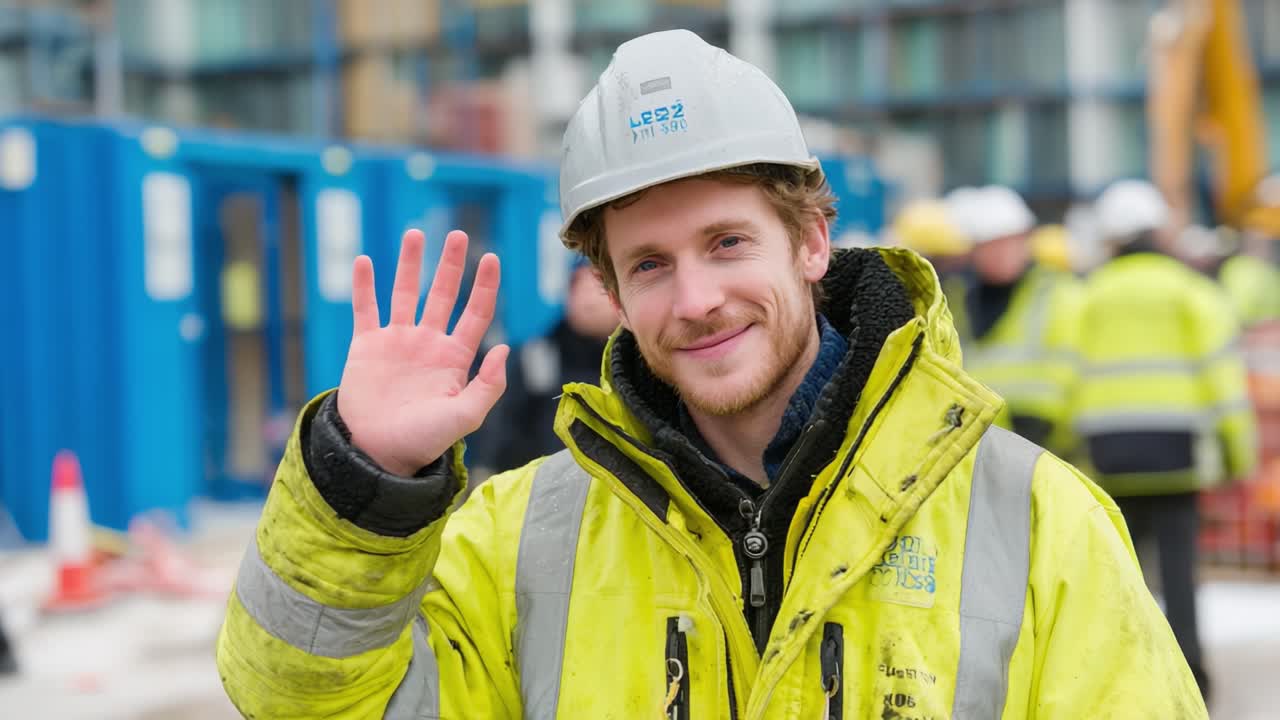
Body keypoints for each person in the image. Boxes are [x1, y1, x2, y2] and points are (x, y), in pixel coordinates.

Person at [217, 31, 1207, 718]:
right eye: (647, 264)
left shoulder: (1036, 523)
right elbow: (298, 702)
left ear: (812, 241)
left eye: (726, 242)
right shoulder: (519, 542)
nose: (692, 299)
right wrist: (360, 490)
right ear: (606, 286)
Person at [1073, 178, 1258, 701]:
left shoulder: (1090, 294)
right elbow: (1224, 383)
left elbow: (1069, 376)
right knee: (1179, 573)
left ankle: (1126, 679)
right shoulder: (1192, 291)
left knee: (1120, 574)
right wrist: (1236, 456)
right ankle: (1192, 677)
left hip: (1108, 455)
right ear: (1157, 229)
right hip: (1176, 451)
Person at [950, 186, 1082, 456]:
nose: (999, 253)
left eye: (1007, 242)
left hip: (1050, 440)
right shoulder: (958, 300)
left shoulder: (1059, 293)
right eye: (989, 245)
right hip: (981, 440)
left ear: (1026, 240)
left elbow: (1075, 367)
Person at [468, 257, 616, 479]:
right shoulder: (536, 358)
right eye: (577, 286)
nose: (589, 301)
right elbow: (502, 436)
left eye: (600, 288)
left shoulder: (642, 363)